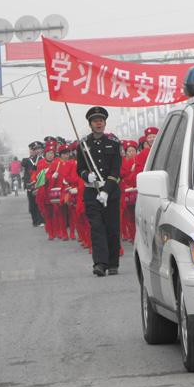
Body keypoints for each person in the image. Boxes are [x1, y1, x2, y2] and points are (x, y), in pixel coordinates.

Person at [77, 106, 122, 277]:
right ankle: (100, 264)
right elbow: (79, 168)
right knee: (96, 228)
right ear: (90, 124)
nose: (98, 123)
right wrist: (86, 176)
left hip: (110, 193)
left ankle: (113, 263)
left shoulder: (114, 143)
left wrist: (106, 191)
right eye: (95, 121)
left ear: (105, 123)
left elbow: (116, 171)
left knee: (112, 228)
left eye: (101, 121)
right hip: (92, 193)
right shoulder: (83, 145)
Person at [21, 141, 44, 226]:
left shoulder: (44, 158)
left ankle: (41, 220)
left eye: (39, 149)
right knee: (32, 204)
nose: (37, 151)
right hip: (31, 184)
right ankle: (35, 221)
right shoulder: (27, 160)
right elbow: (23, 164)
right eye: (35, 149)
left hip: (41, 184)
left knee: (41, 202)